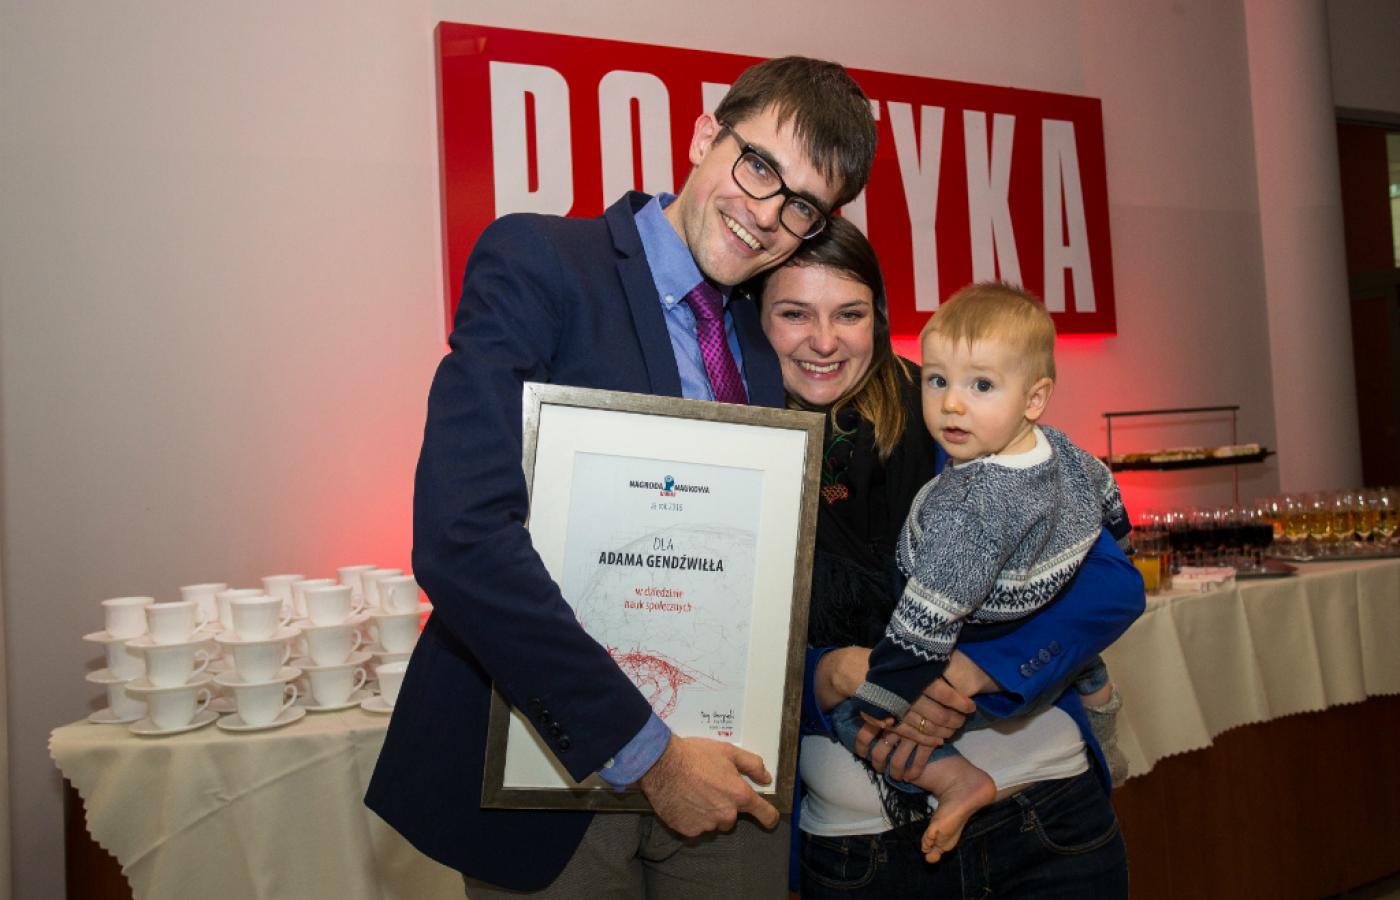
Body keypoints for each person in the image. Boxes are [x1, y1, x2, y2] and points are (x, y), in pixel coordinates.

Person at [365, 56, 880, 898]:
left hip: (731, 776)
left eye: (801, 208)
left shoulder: (762, 332)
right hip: (553, 771)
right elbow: (463, 534)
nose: (766, 215)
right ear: (705, 136)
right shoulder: (541, 262)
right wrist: (649, 754)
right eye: (758, 167)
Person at [754, 219, 1141, 898]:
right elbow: (718, 652)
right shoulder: (733, 444)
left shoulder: (949, 413)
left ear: (878, 317)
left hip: (1045, 816)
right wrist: (832, 675)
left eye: (849, 314)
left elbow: (1113, 583)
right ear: (754, 318)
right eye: (794, 314)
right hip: (858, 851)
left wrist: (976, 669)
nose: (824, 340)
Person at [829, 281, 1131, 862]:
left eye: (981, 386)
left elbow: (930, 615)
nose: (952, 404)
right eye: (937, 381)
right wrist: (1119, 533)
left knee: (853, 715)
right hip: (1046, 620)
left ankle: (955, 779)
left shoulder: (970, 501)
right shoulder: (1059, 449)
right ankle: (1102, 705)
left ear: (1034, 398)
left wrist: (889, 692)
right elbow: (1105, 493)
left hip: (983, 664)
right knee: (1084, 661)